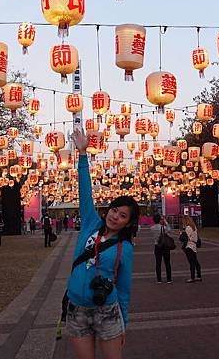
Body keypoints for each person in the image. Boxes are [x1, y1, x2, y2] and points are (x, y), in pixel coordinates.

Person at [65, 128, 138, 359]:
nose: (115, 216)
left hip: (108, 312)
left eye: (123, 215)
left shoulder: (124, 248)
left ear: (128, 223)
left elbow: (124, 289)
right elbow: (85, 192)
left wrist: (123, 322)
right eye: (114, 210)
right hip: (77, 309)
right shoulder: (90, 224)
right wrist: (83, 154)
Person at [181, 215, 202, 283]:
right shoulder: (194, 227)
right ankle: (199, 276)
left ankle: (192, 278)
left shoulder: (187, 228)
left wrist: (181, 233)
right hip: (194, 246)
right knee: (195, 262)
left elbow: (183, 239)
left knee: (191, 263)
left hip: (188, 246)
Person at [152, 214, 172, 284]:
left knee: (158, 263)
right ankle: (169, 279)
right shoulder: (164, 228)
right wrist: (165, 221)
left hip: (157, 246)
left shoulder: (152, 228)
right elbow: (170, 230)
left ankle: (159, 279)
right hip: (165, 246)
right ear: (160, 220)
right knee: (167, 263)